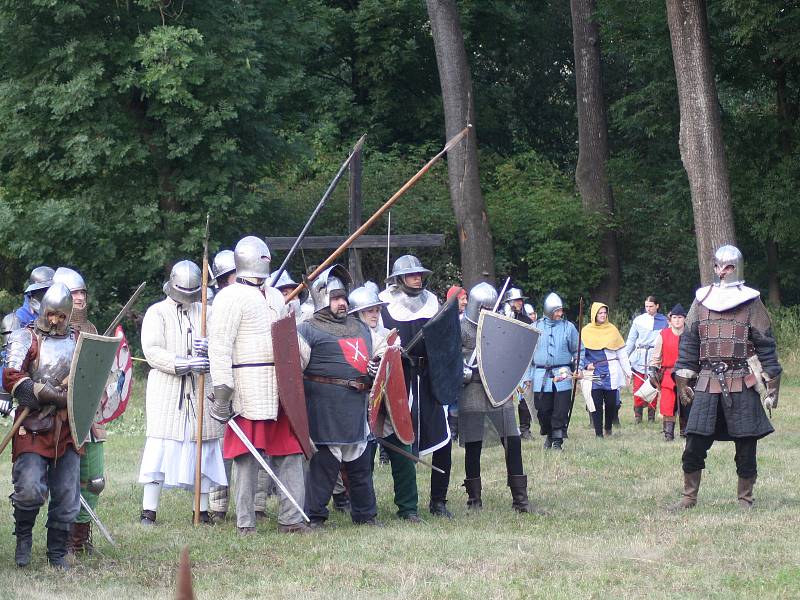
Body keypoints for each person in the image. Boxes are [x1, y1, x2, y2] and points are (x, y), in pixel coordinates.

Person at [208, 236, 310, 534]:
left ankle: (291, 519)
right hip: (247, 387)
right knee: (246, 457)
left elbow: (286, 337)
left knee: (290, 451)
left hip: (280, 388)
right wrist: (223, 391)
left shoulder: (276, 296)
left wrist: (301, 357)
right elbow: (220, 347)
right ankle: (245, 523)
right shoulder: (229, 297)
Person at [671, 245, 781, 511]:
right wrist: (683, 376)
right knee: (694, 440)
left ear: (737, 268)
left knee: (746, 443)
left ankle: (745, 499)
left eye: (729, 267)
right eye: (719, 266)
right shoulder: (701, 300)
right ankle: (689, 497)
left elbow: (765, 343)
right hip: (707, 379)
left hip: (741, 378)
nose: (723, 271)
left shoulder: (752, 301)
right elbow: (689, 341)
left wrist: (772, 380)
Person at [138, 260, 226, 525]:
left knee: (203, 447)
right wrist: (183, 363)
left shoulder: (208, 313)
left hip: (201, 389)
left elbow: (222, 344)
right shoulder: (157, 313)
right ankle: (148, 511)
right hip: (168, 391)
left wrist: (209, 348)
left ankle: (201, 510)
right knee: (161, 448)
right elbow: (152, 351)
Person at [3, 283, 79, 568]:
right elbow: (10, 376)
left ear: (68, 314)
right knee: (29, 488)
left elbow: (92, 378)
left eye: (61, 315)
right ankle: (23, 540)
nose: (55, 320)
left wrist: (71, 397)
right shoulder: (27, 337)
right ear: (42, 311)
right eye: (51, 314)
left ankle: (57, 552)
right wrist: (39, 392)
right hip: (32, 424)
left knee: (68, 493)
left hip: (67, 426)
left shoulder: (80, 340)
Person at [298, 265, 379, 528]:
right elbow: (295, 370)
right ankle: (316, 516)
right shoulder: (307, 329)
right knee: (324, 465)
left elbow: (374, 356)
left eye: (343, 297)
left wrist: (376, 365)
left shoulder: (360, 327)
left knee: (360, 465)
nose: (342, 302)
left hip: (355, 406)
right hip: (325, 407)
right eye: (335, 298)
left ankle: (365, 515)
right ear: (322, 298)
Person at [380, 255, 453, 518]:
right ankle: (407, 506)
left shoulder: (434, 303)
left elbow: (447, 341)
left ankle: (439, 501)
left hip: (430, 378)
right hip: (399, 379)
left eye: (419, 274)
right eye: (411, 275)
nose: (417, 278)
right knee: (401, 441)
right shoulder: (384, 306)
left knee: (443, 439)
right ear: (398, 279)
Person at [460, 283, 537, 512]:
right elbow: (451, 360)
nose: (488, 310)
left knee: (512, 441)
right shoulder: (462, 328)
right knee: (473, 445)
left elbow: (508, 355)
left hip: (497, 390)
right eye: (484, 306)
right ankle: (474, 500)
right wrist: (463, 371)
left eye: (491, 306)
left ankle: (520, 500)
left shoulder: (499, 326)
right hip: (472, 389)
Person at [349, 284, 421, 522]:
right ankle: (364, 510)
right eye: (368, 310)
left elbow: (392, 364)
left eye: (377, 310)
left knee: (403, 456)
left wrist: (384, 360)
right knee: (363, 461)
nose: (374, 314)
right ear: (356, 314)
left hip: (388, 406)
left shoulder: (389, 337)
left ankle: (408, 508)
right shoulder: (348, 341)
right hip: (359, 407)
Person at [50, 268, 105, 554]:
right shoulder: (52, 331)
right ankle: (64, 538)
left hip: (92, 416)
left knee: (95, 480)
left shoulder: (93, 329)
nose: (80, 297)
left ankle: (81, 537)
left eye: (83, 292)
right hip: (62, 415)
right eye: (74, 293)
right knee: (66, 480)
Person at [531, 293, 579, 449]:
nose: (560, 313)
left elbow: (579, 350)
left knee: (561, 408)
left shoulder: (568, 327)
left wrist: (579, 364)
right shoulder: (535, 327)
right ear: (548, 310)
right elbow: (525, 354)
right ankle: (549, 433)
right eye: (556, 311)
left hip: (562, 373)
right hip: (541, 376)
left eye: (561, 310)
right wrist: (526, 376)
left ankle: (557, 440)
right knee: (543, 410)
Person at [581, 302, 631, 438]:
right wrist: (586, 365)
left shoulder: (612, 329)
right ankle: (598, 434)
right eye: (600, 313)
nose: (603, 315)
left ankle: (608, 427)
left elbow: (622, 353)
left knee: (611, 404)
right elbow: (579, 353)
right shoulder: (586, 331)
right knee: (596, 403)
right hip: (594, 372)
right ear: (594, 314)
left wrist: (628, 372)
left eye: (604, 313)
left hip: (611, 371)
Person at [625, 296, 668, 423]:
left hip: (655, 356)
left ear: (657, 306)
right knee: (638, 386)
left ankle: (651, 417)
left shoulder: (665, 321)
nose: (648, 309)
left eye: (651, 306)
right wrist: (625, 358)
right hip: (639, 356)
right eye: (646, 306)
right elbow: (631, 340)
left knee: (653, 385)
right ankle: (638, 417)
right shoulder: (639, 320)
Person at [648, 303, 687, 441]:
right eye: (675, 317)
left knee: (686, 403)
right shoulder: (663, 335)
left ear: (684, 319)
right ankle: (668, 434)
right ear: (670, 319)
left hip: (687, 375)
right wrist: (653, 371)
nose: (677, 320)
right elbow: (655, 357)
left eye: (680, 317)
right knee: (668, 403)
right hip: (668, 375)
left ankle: (685, 432)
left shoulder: (690, 335)